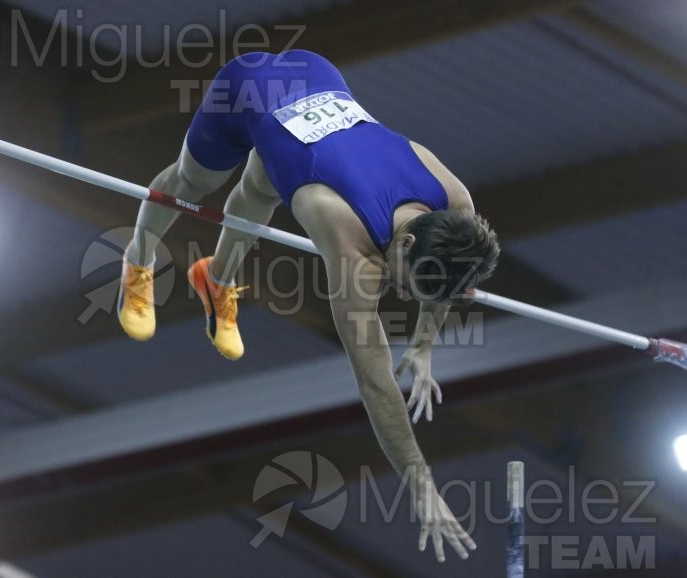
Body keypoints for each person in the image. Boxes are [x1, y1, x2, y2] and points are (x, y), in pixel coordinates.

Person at [117, 49, 498, 562]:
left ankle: (216, 279)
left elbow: (446, 285)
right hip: (246, 91)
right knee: (196, 184)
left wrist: (425, 346)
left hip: (318, 78)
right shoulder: (350, 250)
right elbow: (376, 385)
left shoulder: (457, 208)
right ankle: (137, 262)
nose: (403, 297)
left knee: (261, 189)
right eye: (409, 286)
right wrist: (422, 486)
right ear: (405, 246)